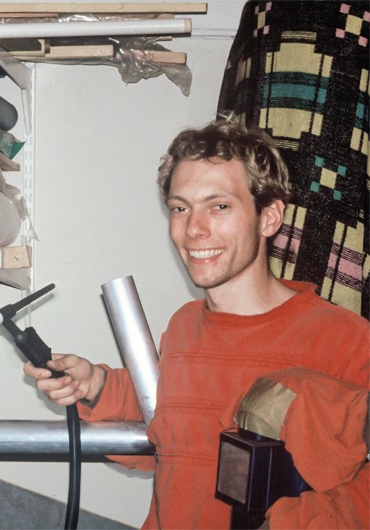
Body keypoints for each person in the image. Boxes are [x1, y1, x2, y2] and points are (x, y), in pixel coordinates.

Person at [24, 118, 369, 529]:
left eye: (219, 206)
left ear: (269, 218)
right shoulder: (185, 326)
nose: (193, 229)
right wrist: (95, 385)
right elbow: (171, 425)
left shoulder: (345, 339)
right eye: (180, 208)